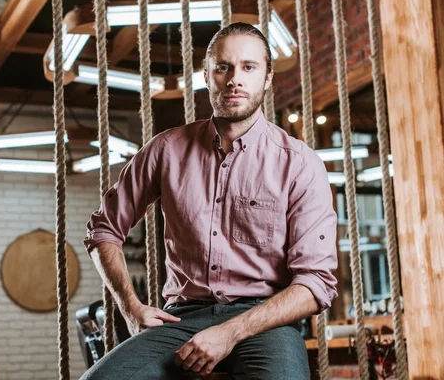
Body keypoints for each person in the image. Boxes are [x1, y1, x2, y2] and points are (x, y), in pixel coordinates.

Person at [81, 22, 338, 379]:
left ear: (267, 78)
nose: (235, 79)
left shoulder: (299, 163)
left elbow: (315, 285)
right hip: (181, 317)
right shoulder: (166, 150)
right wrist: (130, 307)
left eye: (249, 67)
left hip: (265, 322)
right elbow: (103, 230)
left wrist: (229, 332)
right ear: (207, 76)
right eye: (223, 67)